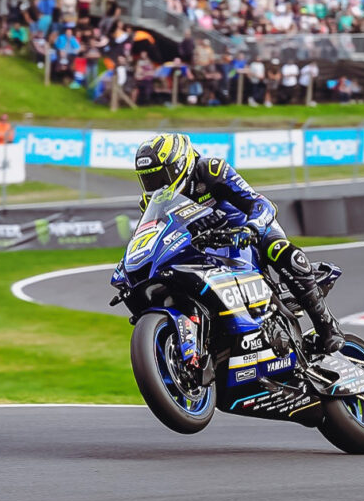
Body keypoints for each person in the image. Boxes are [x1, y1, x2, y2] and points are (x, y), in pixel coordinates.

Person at [131, 133, 345, 353]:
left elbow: (261, 203)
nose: (156, 185)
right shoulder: (151, 202)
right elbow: (153, 236)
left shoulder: (210, 170)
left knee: (281, 252)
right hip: (205, 248)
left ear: (179, 164)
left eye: (160, 177)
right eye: (148, 179)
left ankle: (328, 327)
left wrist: (251, 228)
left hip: (245, 232)